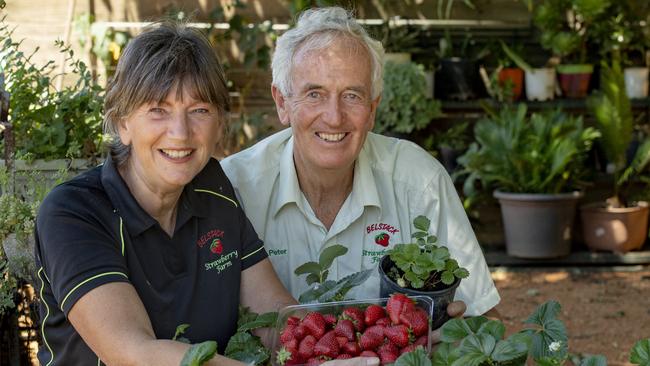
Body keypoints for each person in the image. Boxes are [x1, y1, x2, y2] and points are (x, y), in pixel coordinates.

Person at [33, 21, 302, 366]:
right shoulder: (73, 213)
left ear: (220, 122)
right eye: (158, 110)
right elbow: (134, 352)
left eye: (199, 110)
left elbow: (275, 317)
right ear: (122, 124)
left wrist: (333, 350)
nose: (180, 133)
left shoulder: (212, 187)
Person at [221, 6, 501, 324]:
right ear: (282, 102)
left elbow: (484, 319)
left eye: (352, 95)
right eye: (314, 94)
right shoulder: (234, 188)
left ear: (373, 109)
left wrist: (449, 336)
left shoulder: (419, 181)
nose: (334, 116)